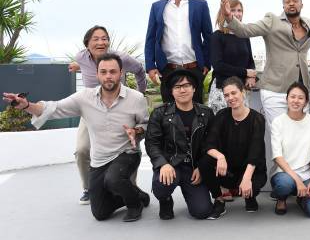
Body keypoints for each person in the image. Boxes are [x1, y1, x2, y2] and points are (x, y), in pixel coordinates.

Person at [4, 53, 150, 222]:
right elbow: (53, 108)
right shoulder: (84, 97)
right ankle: (137, 194)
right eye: (103, 72)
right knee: (100, 213)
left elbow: (146, 125)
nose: (108, 76)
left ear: (121, 73)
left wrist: (136, 131)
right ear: (97, 74)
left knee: (114, 179)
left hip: (127, 153)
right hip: (100, 159)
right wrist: (27, 106)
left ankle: (134, 205)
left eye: (113, 71)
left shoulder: (136, 98)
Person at [220, 0, 310, 131]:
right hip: (275, 91)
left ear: (301, 4)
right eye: (287, 1)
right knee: (280, 135)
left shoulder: (309, 23)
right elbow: (245, 30)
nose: (291, 3)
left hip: (301, 89)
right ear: (283, 6)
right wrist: (229, 17)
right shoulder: (272, 20)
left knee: (302, 134)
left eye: (295, 0)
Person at [68, 25, 147, 205]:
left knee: (128, 148)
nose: (101, 42)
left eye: (104, 38)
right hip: (91, 111)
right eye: (96, 39)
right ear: (87, 43)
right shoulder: (81, 56)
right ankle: (88, 188)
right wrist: (77, 66)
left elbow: (140, 71)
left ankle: (130, 188)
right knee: (81, 150)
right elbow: (85, 64)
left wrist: (140, 94)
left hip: (120, 109)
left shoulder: (121, 58)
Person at [145, 69, 215, 219]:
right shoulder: (160, 113)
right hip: (171, 164)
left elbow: (211, 144)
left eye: (186, 85)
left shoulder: (206, 113)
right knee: (162, 186)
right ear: (171, 91)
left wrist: (202, 167)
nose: (182, 90)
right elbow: (152, 143)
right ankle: (165, 200)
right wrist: (162, 163)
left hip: (193, 168)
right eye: (177, 87)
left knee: (202, 211)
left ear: (194, 88)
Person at [198, 77, 267, 219]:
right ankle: (219, 199)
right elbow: (208, 144)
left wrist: (247, 179)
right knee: (205, 161)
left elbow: (255, 152)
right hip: (228, 170)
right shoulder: (222, 115)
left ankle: (249, 196)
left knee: (251, 185)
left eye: (234, 93)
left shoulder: (257, 119)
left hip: (251, 171)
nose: (230, 98)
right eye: (226, 95)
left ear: (243, 92)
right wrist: (220, 156)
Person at [145, 0, 212, 104]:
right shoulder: (157, 7)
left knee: (197, 113)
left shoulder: (200, 5)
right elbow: (150, 39)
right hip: (167, 70)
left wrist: (206, 64)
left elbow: (209, 37)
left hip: (194, 69)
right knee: (168, 114)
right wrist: (151, 67)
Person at [270, 82, 310, 217]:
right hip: (284, 174)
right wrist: (297, 180)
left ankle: (301, 198)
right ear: (286, 99)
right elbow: (277, 156)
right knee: (285, 185)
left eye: (300, 98)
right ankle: (281, 198)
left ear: (306, 102)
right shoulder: (278, 122)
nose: (296, 101)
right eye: (292, 97)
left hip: (307, 175)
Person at [208, 0, 256, 114]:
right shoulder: (217, 36)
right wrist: (245, 72)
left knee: (242, 127)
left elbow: (250, 61)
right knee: (221, 128)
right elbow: (218, 65)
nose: (237, 13)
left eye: (239, 10)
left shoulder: (244, 36)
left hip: (241, 91)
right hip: (222, 90)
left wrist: (251, 76)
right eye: (233, 10)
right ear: (224, 12)